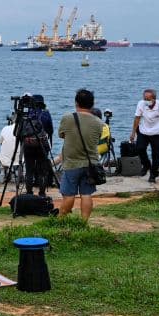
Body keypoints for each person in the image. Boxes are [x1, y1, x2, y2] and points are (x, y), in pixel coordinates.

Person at [58, 89, 105, 221]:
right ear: (92, 104)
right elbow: (97, 138)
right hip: (91, 164)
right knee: (86, 194)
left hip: (72, 163)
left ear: (76, 103)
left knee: (69, 195)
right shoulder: (99, 123)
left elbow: (62, 135)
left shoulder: (67, 118)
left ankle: (61, 220)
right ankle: (84, 223)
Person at [129, 88, 159, 183]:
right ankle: (146, 165)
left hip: (157, 133)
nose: (146, 101)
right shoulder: (141, 104)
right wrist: (133, 133)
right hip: (143, 131)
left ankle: (153, 174)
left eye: (148, 99)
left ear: (154, 99)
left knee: (156, 155)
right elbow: (137, 118)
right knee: (139, 148)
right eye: (144, 98)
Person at [19, 95, 53, 196]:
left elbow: (19, 131)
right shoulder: (45, 114)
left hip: (28, 145)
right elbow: (50, 130)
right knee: (42, 170)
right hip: (41, 145)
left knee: (29, 169)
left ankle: (29, 192)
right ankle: (42, 193)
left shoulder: (26, 114)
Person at [0, 116, 19, 180]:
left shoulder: (5, 128)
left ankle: (6, 175)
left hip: (6, 159)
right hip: (20, 159)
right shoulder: (23, 129)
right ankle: (21, 176)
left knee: (3, 154)